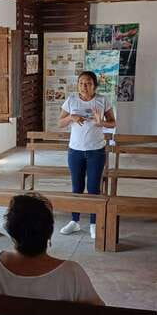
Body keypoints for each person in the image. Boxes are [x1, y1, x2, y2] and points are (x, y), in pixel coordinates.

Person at [57, 71, 116, 240]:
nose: (84, 86)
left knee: (93, 189)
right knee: (76, 187)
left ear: (94, 85)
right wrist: (71, 117)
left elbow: (113, 123)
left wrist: (101, 122)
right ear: (78, 85)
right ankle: (74, 221)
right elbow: (60, 123)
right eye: (81, 83)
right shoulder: (71, 100)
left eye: (88, 83)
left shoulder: (102, 100)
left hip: (96, 151)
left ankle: (93, 223)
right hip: (75, 151)